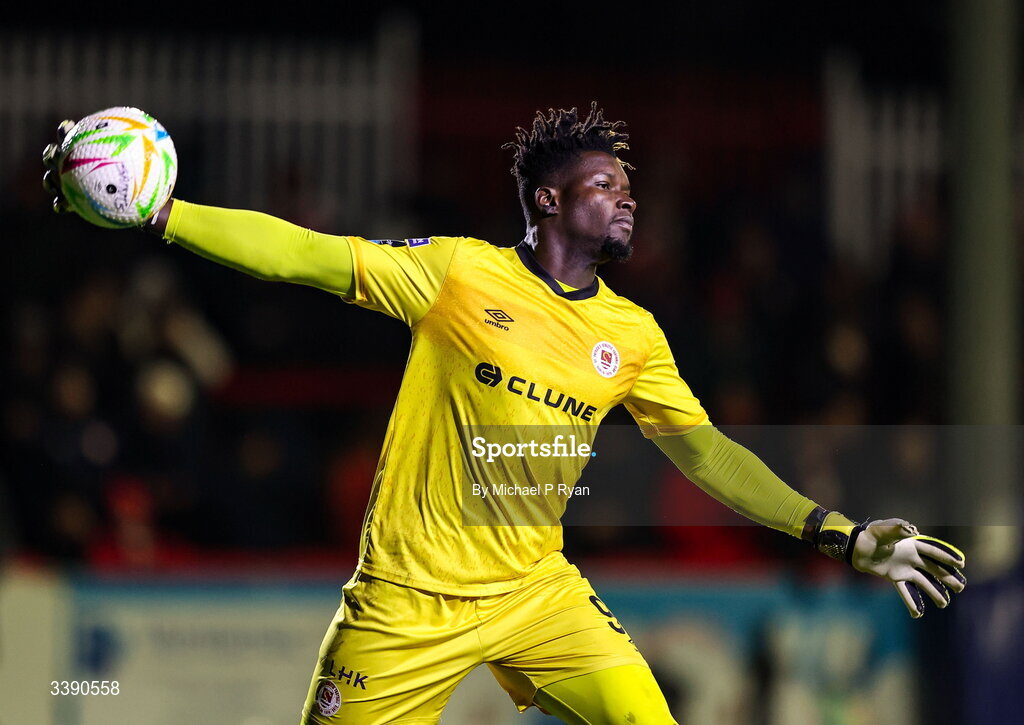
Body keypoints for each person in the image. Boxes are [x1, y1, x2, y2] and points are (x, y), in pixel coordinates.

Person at [44, 104, 967, 725]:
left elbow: (711, 456)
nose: (628, 196)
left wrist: (838, 533)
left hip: (537, 594)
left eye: (627, 184)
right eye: (607, 182)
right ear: (548, 199)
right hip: (407, 601)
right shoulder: (458, 273)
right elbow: (302, 256)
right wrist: (167, 219)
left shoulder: (631, 334)